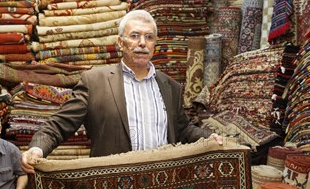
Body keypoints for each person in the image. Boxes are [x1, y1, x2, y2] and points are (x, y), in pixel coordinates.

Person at [21, 9, 222, 172]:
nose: (142, 43)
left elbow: (182, 129)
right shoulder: (95, 81)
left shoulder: (171, 87)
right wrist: (37, 149)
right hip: (112, 188)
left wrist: (207, 138)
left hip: (162, 185)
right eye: (135, 36)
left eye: (149, 37)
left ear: (154, 44)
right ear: (120, 42)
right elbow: (59, 125)